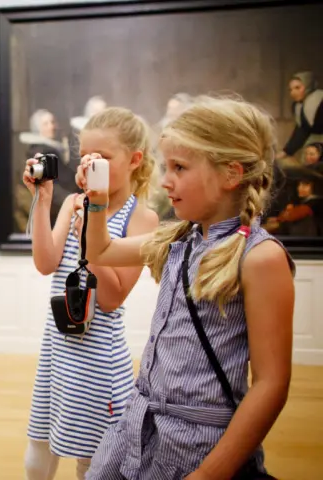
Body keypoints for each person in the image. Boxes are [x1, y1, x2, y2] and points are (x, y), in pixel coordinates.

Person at [75, 95, 295, 479]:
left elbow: (271, 385)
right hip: (138, 427)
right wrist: (96, 204)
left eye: (179, 167)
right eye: (166, 167)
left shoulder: (260, 258)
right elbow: (101, 250)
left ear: (231, 174)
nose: (165, 181)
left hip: (196, 446)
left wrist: (209, 473)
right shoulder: (178, 238)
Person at [22, 106, 160, 480]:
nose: (89, 165)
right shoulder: (73, 203)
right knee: (38, 452)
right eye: (85, 156)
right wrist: (43, 199)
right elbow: (46, 263)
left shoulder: (142, 218)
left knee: (91, 462)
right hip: (58, 349)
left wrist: (91, 228)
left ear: (134, 160)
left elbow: (112, 298)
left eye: (102, 158)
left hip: (98, 362)